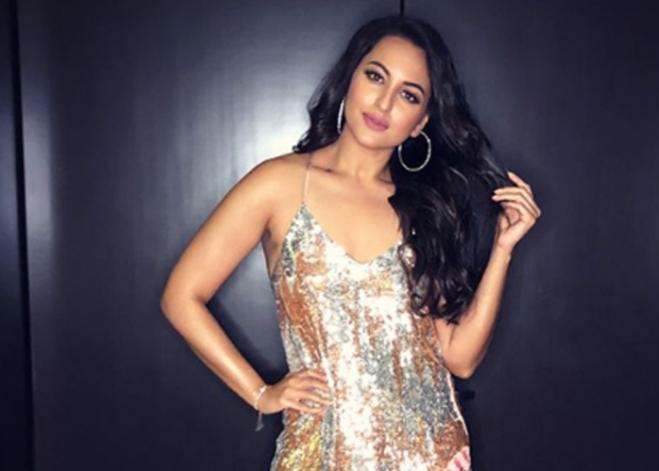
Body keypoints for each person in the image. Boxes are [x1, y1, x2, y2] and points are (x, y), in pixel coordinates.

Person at [160, 14, 540, 471]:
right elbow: (181, 296)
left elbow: (458, 358)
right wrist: (260, 393)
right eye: (375, 76)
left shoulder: (425, 211)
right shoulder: (278, 184)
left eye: (408, 95)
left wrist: (503, 249)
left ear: (420, 122)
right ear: (350, 78)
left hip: (427, 456)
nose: (384, 102)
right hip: (319, 454)